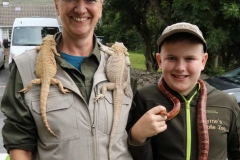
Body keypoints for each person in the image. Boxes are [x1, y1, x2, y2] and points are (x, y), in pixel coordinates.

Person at [1, 0, 137, 160]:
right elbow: (20, 144)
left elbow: (133, 135)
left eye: (90, 0)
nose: (80, 9)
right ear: (57, 5)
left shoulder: (123, 68)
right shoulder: (25, 68)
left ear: (101, 7)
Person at [127, 22, 240, 160]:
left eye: (190, 58)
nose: (180, 67)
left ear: (203, 61)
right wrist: (136, 137)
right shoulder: (143, 98)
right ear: (159, 61)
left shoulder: (227, 103)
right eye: (172, 58)